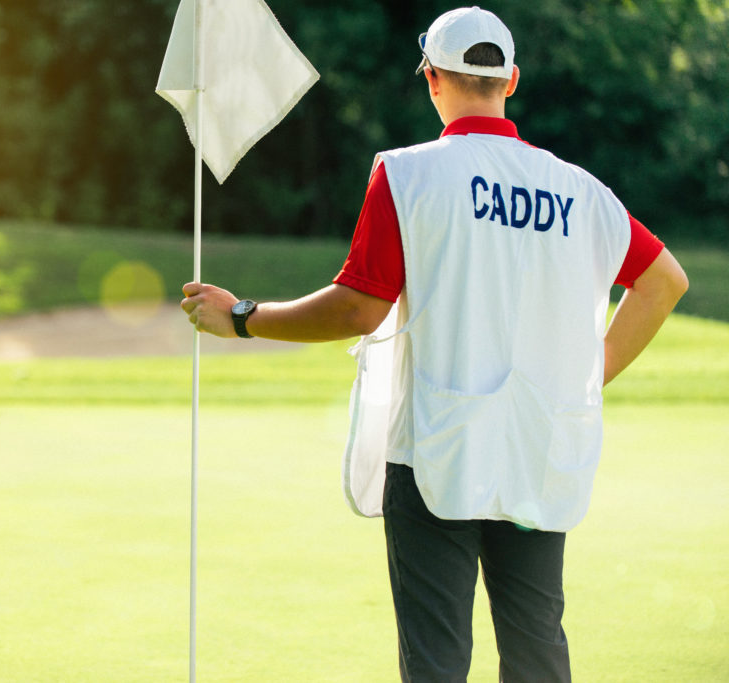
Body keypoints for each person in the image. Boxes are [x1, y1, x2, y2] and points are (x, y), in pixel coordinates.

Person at [181, 6, 688, 681]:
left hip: (435, 453)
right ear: (510, 80)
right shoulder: (582, 192)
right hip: (539, 448)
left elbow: (360, 308)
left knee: (437, 662)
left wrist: (243, 316)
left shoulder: (410, 174)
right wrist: (587, 373)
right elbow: (664, 281)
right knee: (537, 648)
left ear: (433, 80)